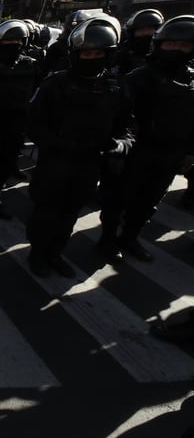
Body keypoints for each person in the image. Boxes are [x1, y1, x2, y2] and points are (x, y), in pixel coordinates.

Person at [25, 16, 135, 278]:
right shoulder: (55, 84)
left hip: (89, 166)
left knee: (69, 215)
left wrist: (121, 145)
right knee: (46, 214)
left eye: (98, 53)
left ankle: (55, 253)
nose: (92, 57)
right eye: (87, 52)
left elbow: (128, 126)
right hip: (55, 164)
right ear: (76, 53)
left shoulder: (115, 88)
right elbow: (33, 124)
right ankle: (38, 254)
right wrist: (59, 145)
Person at [97, 15, 194, 263]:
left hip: (170, 155)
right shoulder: (139, 78)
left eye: (184, 45)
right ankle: (107, 240)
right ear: (159, 44)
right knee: (117, 201)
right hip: (136, 151)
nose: (177, 50)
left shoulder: (191, 81)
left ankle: (130, 237)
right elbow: (119, 117)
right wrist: (118, 148)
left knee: (148, 202)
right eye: (171, 44)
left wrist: (189, 152)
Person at [0, 19, 41, 220]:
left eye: (17, 40)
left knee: (5, 164)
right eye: (8, 41)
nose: (13, 45)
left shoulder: (30, 64)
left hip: (17, 123)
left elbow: (38, 91)